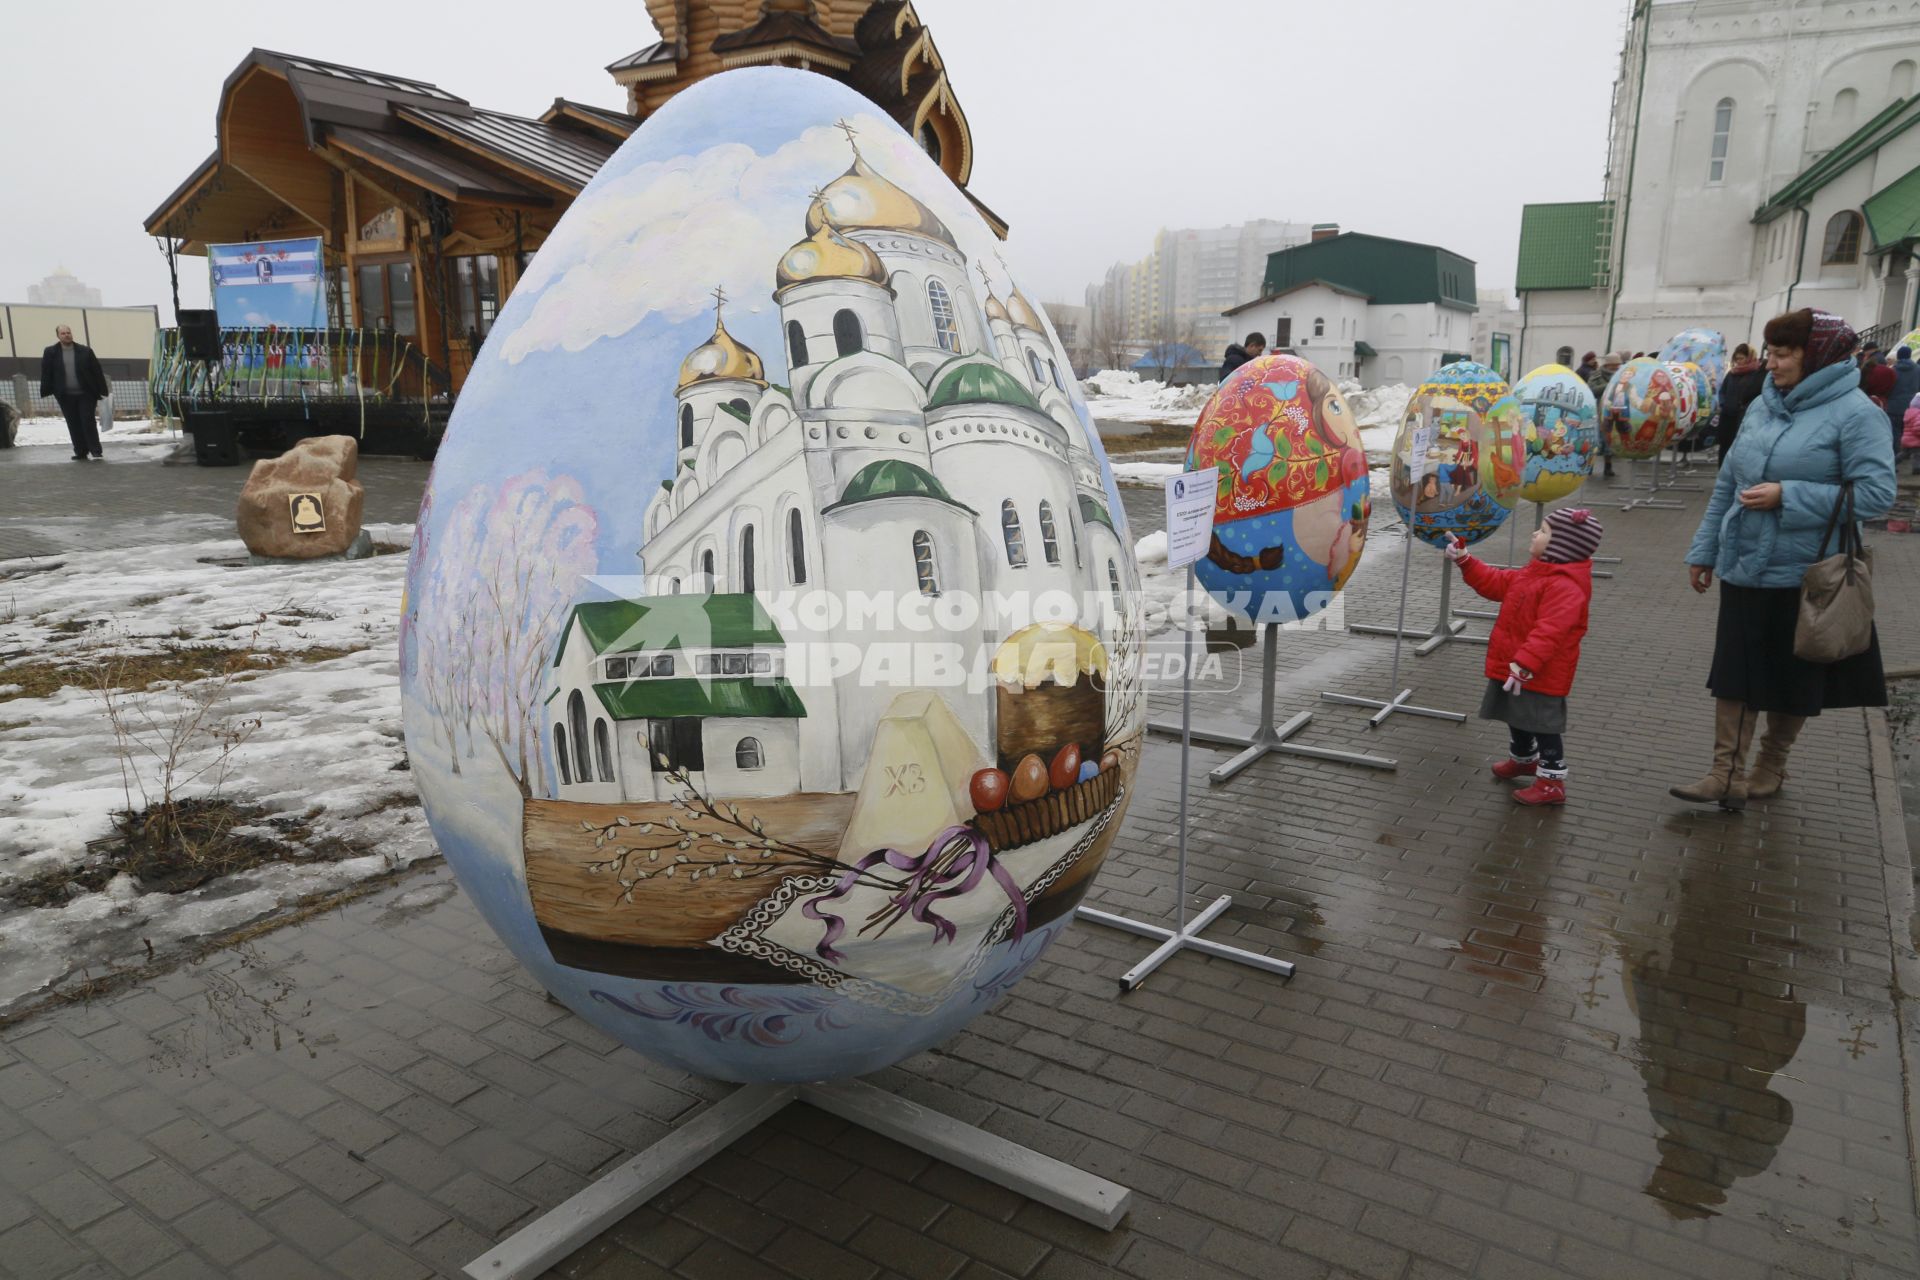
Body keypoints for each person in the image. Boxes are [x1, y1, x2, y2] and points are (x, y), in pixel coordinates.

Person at [1677, 308, 1894, 809]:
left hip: (1804, 573)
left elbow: (1878, 494)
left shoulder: (1857, 413)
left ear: (1817, 356)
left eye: (1782, 353)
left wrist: (1789, 495)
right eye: (1769, 352)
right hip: (1743, 562)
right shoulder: (1763, 404)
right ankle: (1723, 774)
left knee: (1788, 677)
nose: (1770, 363)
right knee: (1735, 670)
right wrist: (1704, 549)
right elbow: (1728, 485)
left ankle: (1769, 768)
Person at [1443, 507, 1603, 807]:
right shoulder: (1534, 572)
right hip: (1515, 666)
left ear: (1561, 546)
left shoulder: (1565, 586)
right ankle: (1524, 759)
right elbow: (1496, 582)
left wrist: (1525, 664)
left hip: (1539, 671)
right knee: (1514, 714)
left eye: (1543, 531)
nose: (1535, 533)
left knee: (1542, 723)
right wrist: (1466, 561)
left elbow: (1550, 631)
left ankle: (1552, 781)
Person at [38, 324, 109, 461]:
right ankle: (80, 451)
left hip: (86, 394)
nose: (66, 335)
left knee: (87, 420)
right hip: (65, 395)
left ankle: (95, 450)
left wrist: (102, 390)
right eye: (63, 333)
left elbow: (96, 371)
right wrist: (48, 389)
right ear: (58, 336)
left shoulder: (85, 351)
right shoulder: (50, 352)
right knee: (73, 423)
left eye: (68, 332)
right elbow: (47, 371)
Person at [1715, 343, 1765, 464]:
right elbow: (1722, 392)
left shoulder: (1756, 374)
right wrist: (1723, 404)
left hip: (1744, 417)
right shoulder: (1732, 374)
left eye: (1742, 358)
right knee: (1724, 447)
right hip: (1728, 416)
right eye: (1737, 358)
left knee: (1740, 447)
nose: (1739, 362)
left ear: (1749, 357)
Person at [1589, 352, 1625, 478]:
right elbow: (1592, 390)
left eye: (1618, 365)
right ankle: (1590, 467)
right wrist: (1609, 386)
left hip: (1614, 412)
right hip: (1599, 411)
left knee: (1610, 440)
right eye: (1614, 365)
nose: (1616, 368)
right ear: (1608, 364)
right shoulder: (1597, 375)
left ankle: (1608, 467)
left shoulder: (1622, 376)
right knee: (1596, 441)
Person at [1886, 346, 1918, 451]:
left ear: (1898, 356)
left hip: (1893, 406)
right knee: (1908, 431)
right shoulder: (1918, 369)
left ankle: (1895, 454)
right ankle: (1905, 452)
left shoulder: (1893, 370)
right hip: (1911, 407)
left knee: (1894, 431)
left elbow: (1888, 387)